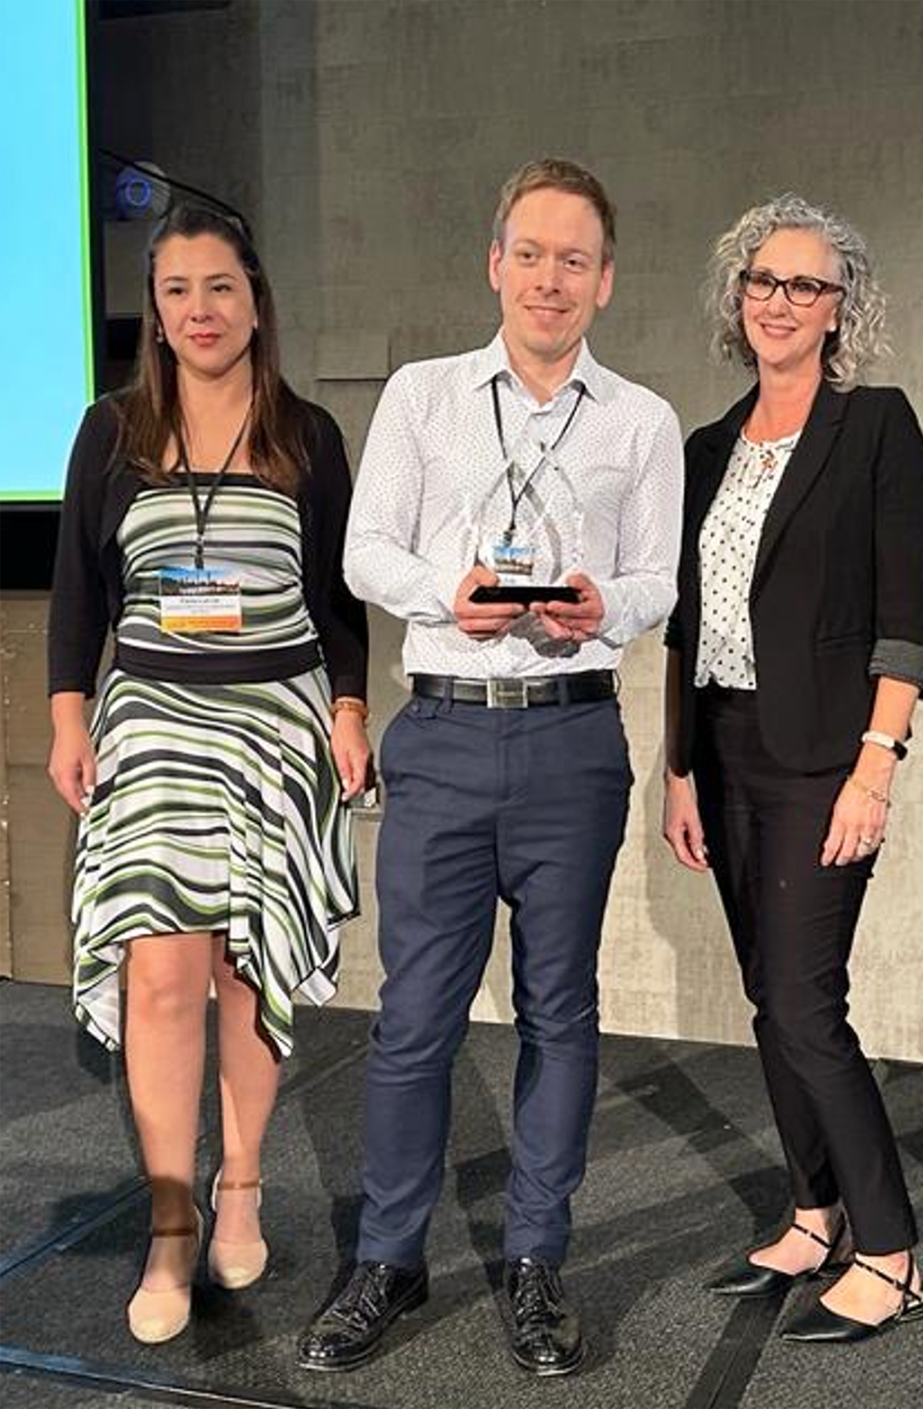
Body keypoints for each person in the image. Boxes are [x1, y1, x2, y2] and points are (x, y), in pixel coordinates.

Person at [296, 157, 682, 1377]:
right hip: (448, 729)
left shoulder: (643, 418)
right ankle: (389, 1257)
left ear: (605, 280)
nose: (550, 278)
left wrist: (594, 606)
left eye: (575, 259)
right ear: (494, 262)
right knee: (413, 1017)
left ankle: (533, 1259)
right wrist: (445, 597)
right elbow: (366, 551)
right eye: (531, 253)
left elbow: (660, 583)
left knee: (560, 1013)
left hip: (573, 737)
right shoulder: (422, 395)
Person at [46, 204, 370, 1345]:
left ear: (255, 296)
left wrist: (346, 705)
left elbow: (338, 601)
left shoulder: (311, 434)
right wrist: (66, 713)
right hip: (149, 721)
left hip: (275, 727)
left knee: (248, 968)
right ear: (157, 306)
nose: (200, 310)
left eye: (220, 286)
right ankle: (172, 1223)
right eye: (178, 289)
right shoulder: (110, 430)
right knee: (163, 972)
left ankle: (241, 1180)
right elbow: (82, 591)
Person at [663, 194, 923, 1343]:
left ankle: (892, 1247)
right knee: (769, 999)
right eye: (764, 281)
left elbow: (906, 620)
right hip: (720, 749)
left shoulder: (874, 425)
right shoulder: (706, 445)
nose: (781, 301)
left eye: (806, 285)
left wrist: (877, 763)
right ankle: (814, 1209)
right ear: (739, 298)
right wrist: (675, 767)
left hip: (826, 755)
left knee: (809, 1002)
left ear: (841, 307)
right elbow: (682, 624)